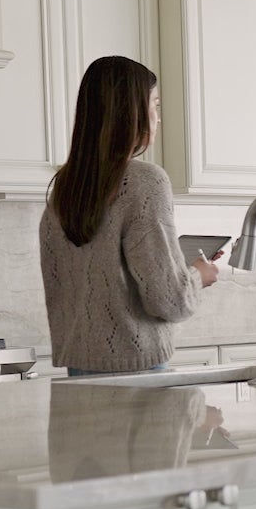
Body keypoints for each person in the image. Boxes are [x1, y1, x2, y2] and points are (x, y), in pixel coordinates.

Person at [39, 56, 217, 375]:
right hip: (139, 370)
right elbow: (170, 301)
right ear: (132, 112)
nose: (158, 117)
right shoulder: (145, 181)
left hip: (80, 371)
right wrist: (198, 276)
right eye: (156, 104)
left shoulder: (65, 187)